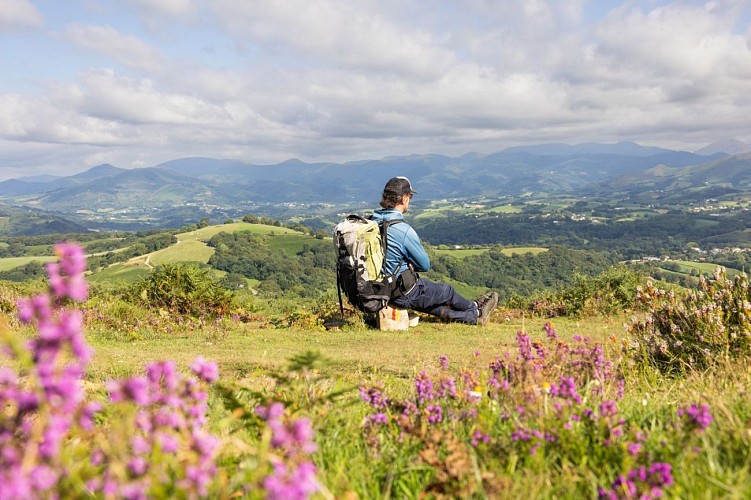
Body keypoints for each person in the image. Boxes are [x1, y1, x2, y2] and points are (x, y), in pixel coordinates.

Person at [370, 176, 498, 325]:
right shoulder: (401, 229)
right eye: (410, 196)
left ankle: (474, 317)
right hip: (404, 291)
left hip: (380, 290)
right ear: (404, 198)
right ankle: (475, 308)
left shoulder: (372, 222)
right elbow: (425, 264)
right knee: (446, 291)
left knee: (433, 306)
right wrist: (410, 263)